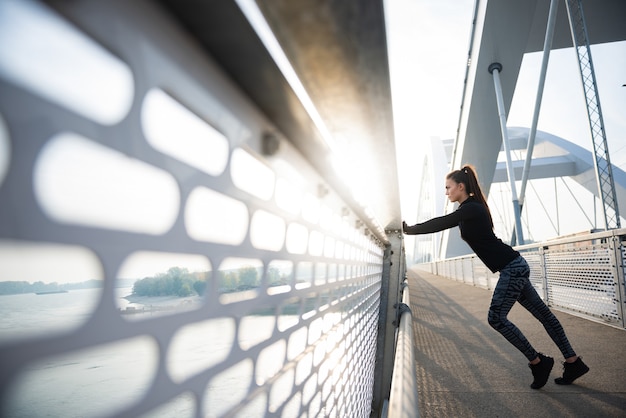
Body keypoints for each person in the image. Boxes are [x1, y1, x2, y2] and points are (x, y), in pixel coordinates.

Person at [402, 164, 589, 389]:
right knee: (543, 316)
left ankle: (538, 362)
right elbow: (447, 222)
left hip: (513, 268)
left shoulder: (470, 209)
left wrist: (410, 229)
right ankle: (573, 362)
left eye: (448, 187)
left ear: (460, 187)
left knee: (496, 318)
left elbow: (441, 223)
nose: (446, 192)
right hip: (514, 266)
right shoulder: (470, 208)